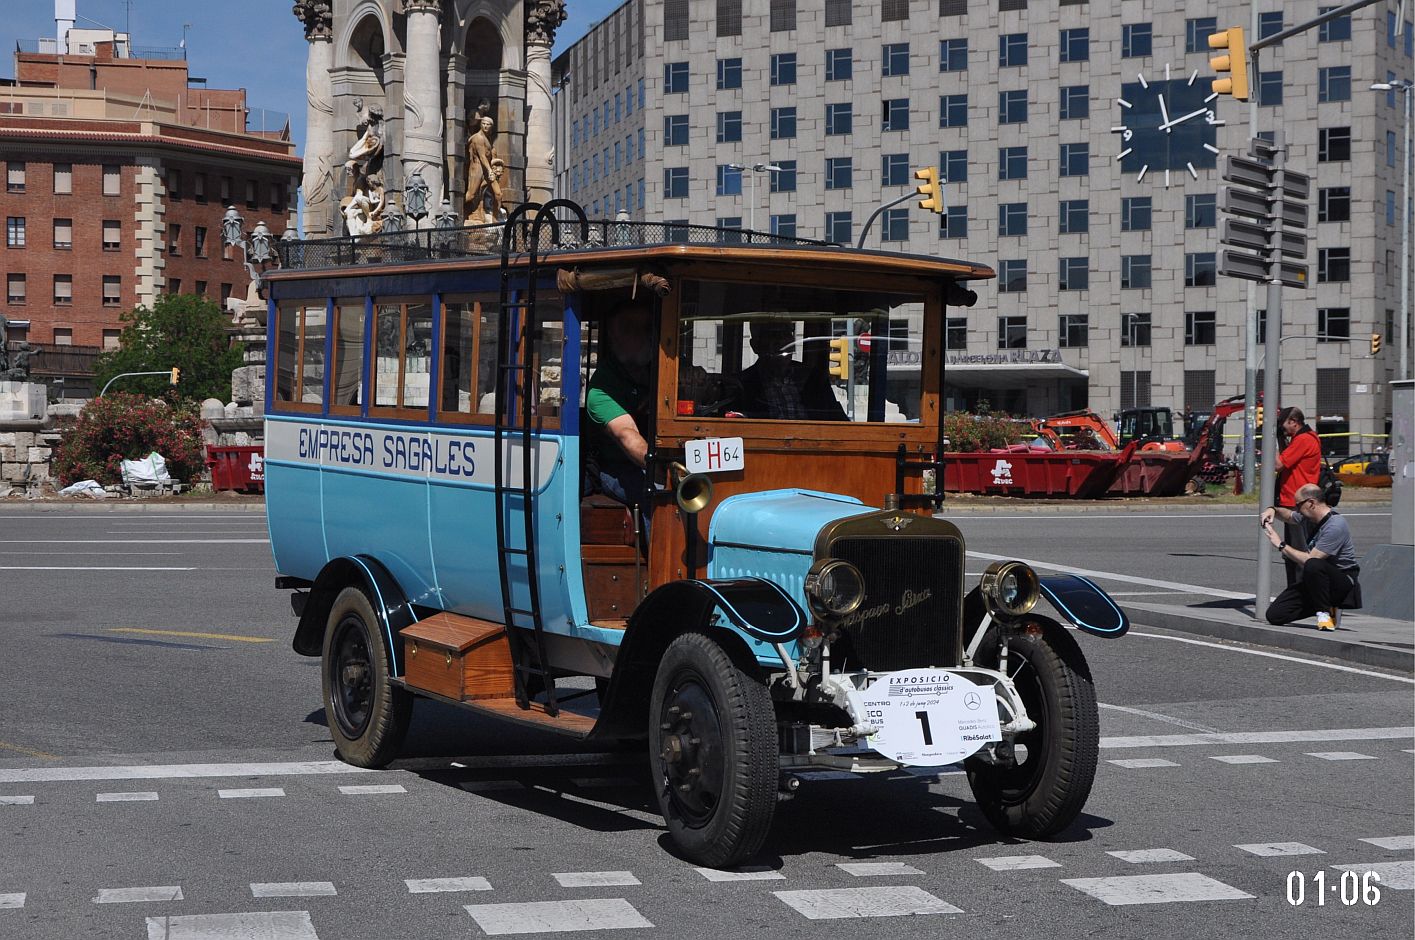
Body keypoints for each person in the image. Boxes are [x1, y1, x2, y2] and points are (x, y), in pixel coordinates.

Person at [1260, 483, 1361, 630]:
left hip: (1342, 581)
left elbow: (1309, 560)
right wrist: (1272, 510)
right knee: (1275, 615)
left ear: (1311, 503)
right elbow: (1288, 516)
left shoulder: (1335, 525)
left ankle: (1325, 613)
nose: (1296, 509)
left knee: (1313, 564)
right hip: (1317, 581)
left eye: (1298, 505)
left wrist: (1280, 545)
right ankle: (1326, 604)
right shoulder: (1308, 518)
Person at [586, 302, 655, 513]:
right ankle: (654, 547)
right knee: (658, 492)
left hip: (671, 462)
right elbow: (627, 435)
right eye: (630, 330)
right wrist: (663, 469)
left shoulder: (664, 369)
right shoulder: (600, 390)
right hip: (618, 469)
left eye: (647, 329)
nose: (646, 336)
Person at [733, 320, 848, 421]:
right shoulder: (741, 385)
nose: (781, 341)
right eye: (773, 335)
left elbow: (841, 425)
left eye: (786, 334)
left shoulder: (814, 379)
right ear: (755, 345)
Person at [1274, 406, 1323, 585]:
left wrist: (1272, 440)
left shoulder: (1302, 440)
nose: (1282, 428)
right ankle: (1297, 589)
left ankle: (1301, 592)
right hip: (1298, 500)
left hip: (1297, 503)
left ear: (1294, 422)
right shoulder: (1305, 437)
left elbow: (1278, 464)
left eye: (1283, 424)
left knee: (1298, 552)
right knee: (1296, 551)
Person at [464, 114, 502, 224]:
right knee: (472, 195)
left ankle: (496, 217)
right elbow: (482, 157)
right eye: (483, 124)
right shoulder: (478, 138)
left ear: (492, 126)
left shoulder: (488, 138)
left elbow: (491, 156)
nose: (485, 126)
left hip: (487, 169)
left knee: (498, 194)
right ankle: (461, 211)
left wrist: (495, 168)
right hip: (478, 168)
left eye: (488, 124)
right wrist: (490, 171)